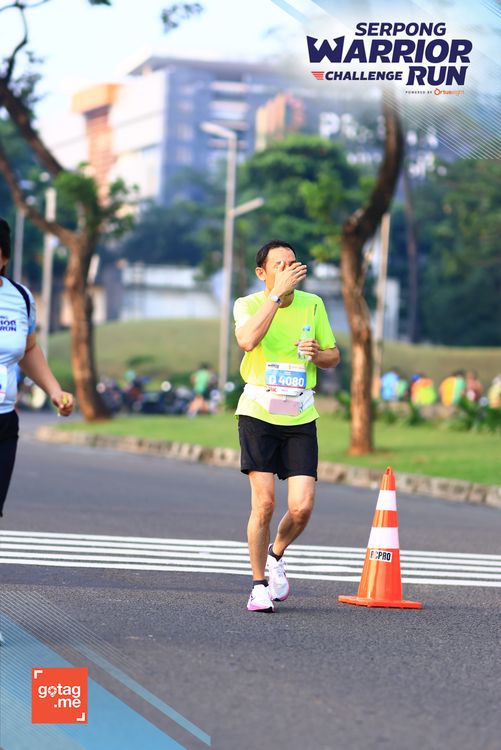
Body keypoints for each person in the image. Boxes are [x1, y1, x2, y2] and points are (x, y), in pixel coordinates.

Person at [233, 240, 340, 613]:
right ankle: (258, 584)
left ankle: (276, 554)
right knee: (264, 502)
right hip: (259, 411)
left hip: (300, 413)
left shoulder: (314, 304)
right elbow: (247, 340)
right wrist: (275, 297)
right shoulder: (247, 304)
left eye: (292, 263)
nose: (288, 269)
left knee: (302, 506)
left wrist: (317, 354)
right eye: (278, 264)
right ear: (262, 272)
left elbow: (333, 356)